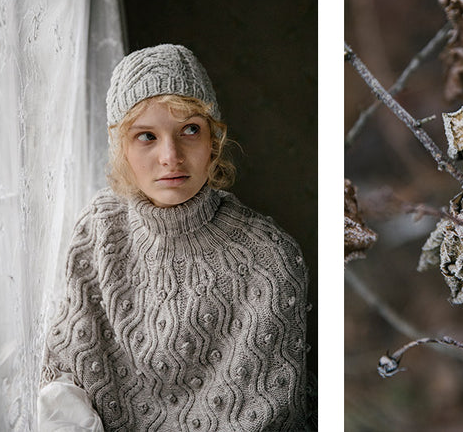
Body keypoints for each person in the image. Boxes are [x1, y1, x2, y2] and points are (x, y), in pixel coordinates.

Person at [38, 44, 314, 430]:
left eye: (189, 130)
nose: (171, 156)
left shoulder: (270, 259)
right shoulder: (98, 228)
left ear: (213, 141)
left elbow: (270, 414)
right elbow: (63, 378)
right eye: (146, 136)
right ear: (121, 148)